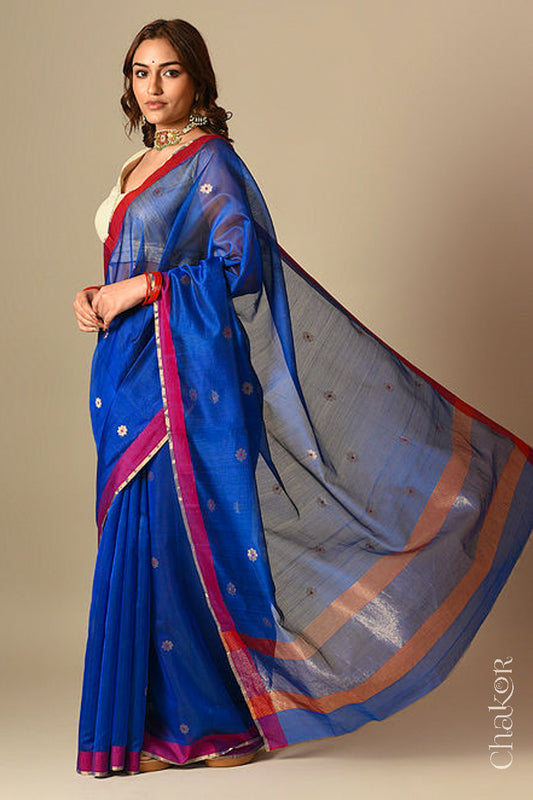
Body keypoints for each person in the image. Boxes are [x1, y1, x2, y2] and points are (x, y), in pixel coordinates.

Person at [73, 18, 533, 780]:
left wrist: (144, 287)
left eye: (169, 72)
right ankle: (150, 722)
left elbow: (239, 263)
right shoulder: (135, 165)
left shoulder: (209, 161)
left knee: (174, 537)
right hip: (124, 368)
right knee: (139, 537)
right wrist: (96, 296)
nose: (152, 88)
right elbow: (131, 261)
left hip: (181, 375)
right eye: (139, 72)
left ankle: (214, 725)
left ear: (199, 82)